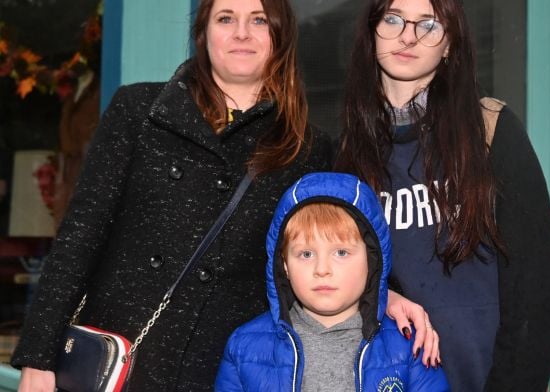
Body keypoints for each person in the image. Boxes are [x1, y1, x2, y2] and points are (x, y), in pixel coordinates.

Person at [11, 1, 437, 390]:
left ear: (280, 38)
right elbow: (79, 237)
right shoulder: (137, 111)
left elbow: (334, 239)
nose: (241, 33)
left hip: (222, 368)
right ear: (204, 34)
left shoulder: (307, 147)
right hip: (121, 359)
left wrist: (387, 294)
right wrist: (38, 356)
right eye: (225, 18)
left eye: (258, 21)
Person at [334, 0, 550, 391]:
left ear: (449, 45)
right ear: (371, 33)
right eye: (393, 19)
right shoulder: (346, 153)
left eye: (429, 25)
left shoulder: (491, 131)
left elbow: (538, 288)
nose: (408, 36)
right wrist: (380, 294)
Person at [215, 172, 449, 391]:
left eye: (341, 253)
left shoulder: (410, 346)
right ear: (284, 265)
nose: (322, 269)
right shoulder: (243, 347)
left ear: (372, 260)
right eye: (306, 254)